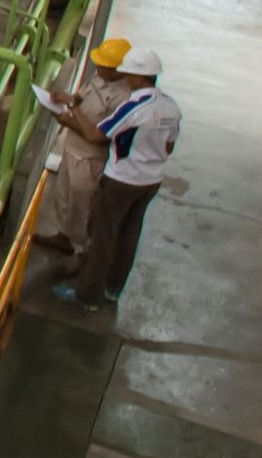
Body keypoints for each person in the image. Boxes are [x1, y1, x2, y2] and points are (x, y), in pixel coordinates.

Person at [39, 41, 178, 307]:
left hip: (122, 180)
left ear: (137, 77)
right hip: (151, 180)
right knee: (129, 234)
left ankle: (87, 296)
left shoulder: (132, 107)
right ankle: (113, 290)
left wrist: (74, 110)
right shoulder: (170, 106)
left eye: (128, 72)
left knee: (102, 237)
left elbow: (96, 135)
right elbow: (168, 147)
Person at [33, 34, 131, 262]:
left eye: (104, 65)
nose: (98, 67)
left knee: (83, 206)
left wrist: (70, 118)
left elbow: (100, 137)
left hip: (89, 159)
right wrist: (66, 98)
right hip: (72, 149)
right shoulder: (101, 77)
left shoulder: (124, 99)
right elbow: (82, 99)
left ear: (119, 70)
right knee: (64, 197)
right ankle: (64, 236)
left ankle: (82, 253)